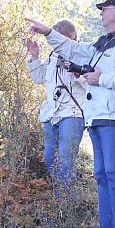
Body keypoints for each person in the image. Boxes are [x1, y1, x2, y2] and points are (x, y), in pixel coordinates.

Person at [26, 0, 115, 228]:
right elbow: (72, 49)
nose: (101, 12)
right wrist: (48, 31)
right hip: (97, 117)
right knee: (102, 175)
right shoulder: (102, 44)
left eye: (106, 8)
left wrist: (100, 78)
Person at [25, 19, 86, 194]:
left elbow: (92, 86)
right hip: (51, 113)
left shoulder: (82, 55)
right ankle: (62, 195)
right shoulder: (52, 57)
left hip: (72, 113)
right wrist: (35, 56)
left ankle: (63, 201)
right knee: (49, 157)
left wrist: (77, 73)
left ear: (72, 37)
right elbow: (39, 78)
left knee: (66, 159)